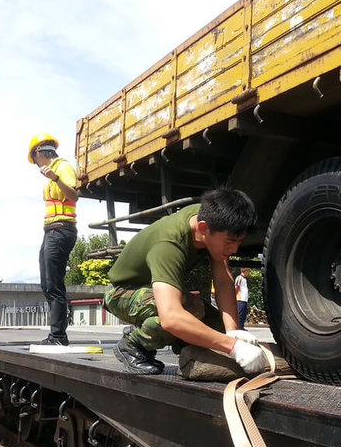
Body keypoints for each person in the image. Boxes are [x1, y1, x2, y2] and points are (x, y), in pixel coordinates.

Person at [103, 188, 267, 375]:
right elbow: (172, 317)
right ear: (204, 228)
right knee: (187, 314)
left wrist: (232, 332)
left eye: (240, 241)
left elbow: (222, 280)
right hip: (122, 292)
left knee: (216, 327)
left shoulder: (213, 221)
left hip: (155, 290)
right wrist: (233, 347)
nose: (235, 249)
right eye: (230, 241)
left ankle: (183, 341)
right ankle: (132, 344)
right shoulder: (169, 244)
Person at [28, 133, 78, 346]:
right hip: (51, 231)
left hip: (61, 230)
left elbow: (74, 195)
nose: (35, 164)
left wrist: (56, 178)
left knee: (54, 284)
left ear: (40, 153)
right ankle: (56, 334)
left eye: (34, 159)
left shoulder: (62, 167)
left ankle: (58, 336)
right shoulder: (52, 172)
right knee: (47, 284)